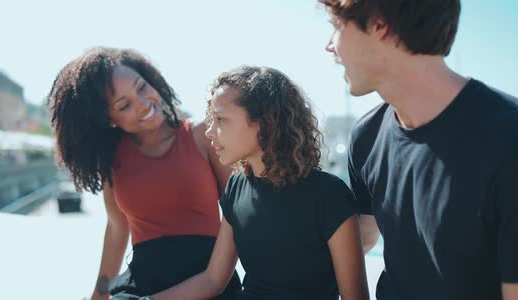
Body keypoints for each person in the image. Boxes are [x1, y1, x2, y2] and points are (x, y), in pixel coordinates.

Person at [315, 0, 518, 299]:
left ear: (379, 24)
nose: (329, 46)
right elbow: (365, 235)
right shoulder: (366, 138)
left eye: (336, 27)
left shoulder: (515, 140)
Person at [144, 66, 369, 300]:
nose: (210, 132)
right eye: (211, 119)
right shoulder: (236, 186)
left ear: (266, 123)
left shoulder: (330, 195)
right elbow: (212, 280)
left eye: (220, 119)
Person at [47, 47, 241, 300]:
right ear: (109, 119)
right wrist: (99, 294)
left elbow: (237, 212)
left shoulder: (202, 134)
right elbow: (117, 228)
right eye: (124, 104)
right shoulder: (112, 158)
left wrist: (221, 278)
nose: (142, 104)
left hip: (207, 278)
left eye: (141, 87)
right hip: (143, 282)